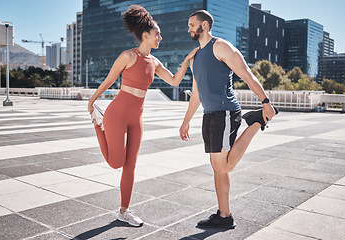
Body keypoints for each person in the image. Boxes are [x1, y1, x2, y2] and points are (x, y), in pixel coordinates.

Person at [87, 5, 198, 227]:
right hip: (116, 114)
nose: (161, 38)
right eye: (157, 34)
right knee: (116, 162)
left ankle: (124, 211)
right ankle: (98, 125)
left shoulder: (154, 62)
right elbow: (109, 81)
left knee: (131, 165)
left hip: (136, 117)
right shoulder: (128, 56)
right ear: (145, 35)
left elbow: (175, 81)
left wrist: (187, 62)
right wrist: (92, 102)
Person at [179, 10, 278, 229]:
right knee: (217, 167)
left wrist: (265, 101)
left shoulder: (221, 47)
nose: (189, 29)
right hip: (209, 115)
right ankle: (224, 216)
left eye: (192, 25)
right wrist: (186, 120)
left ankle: (255, 123)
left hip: (225, 112)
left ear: (204, 25)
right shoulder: (196, 57)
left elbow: (247, 75)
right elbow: (196, 93)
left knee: (222, 166)